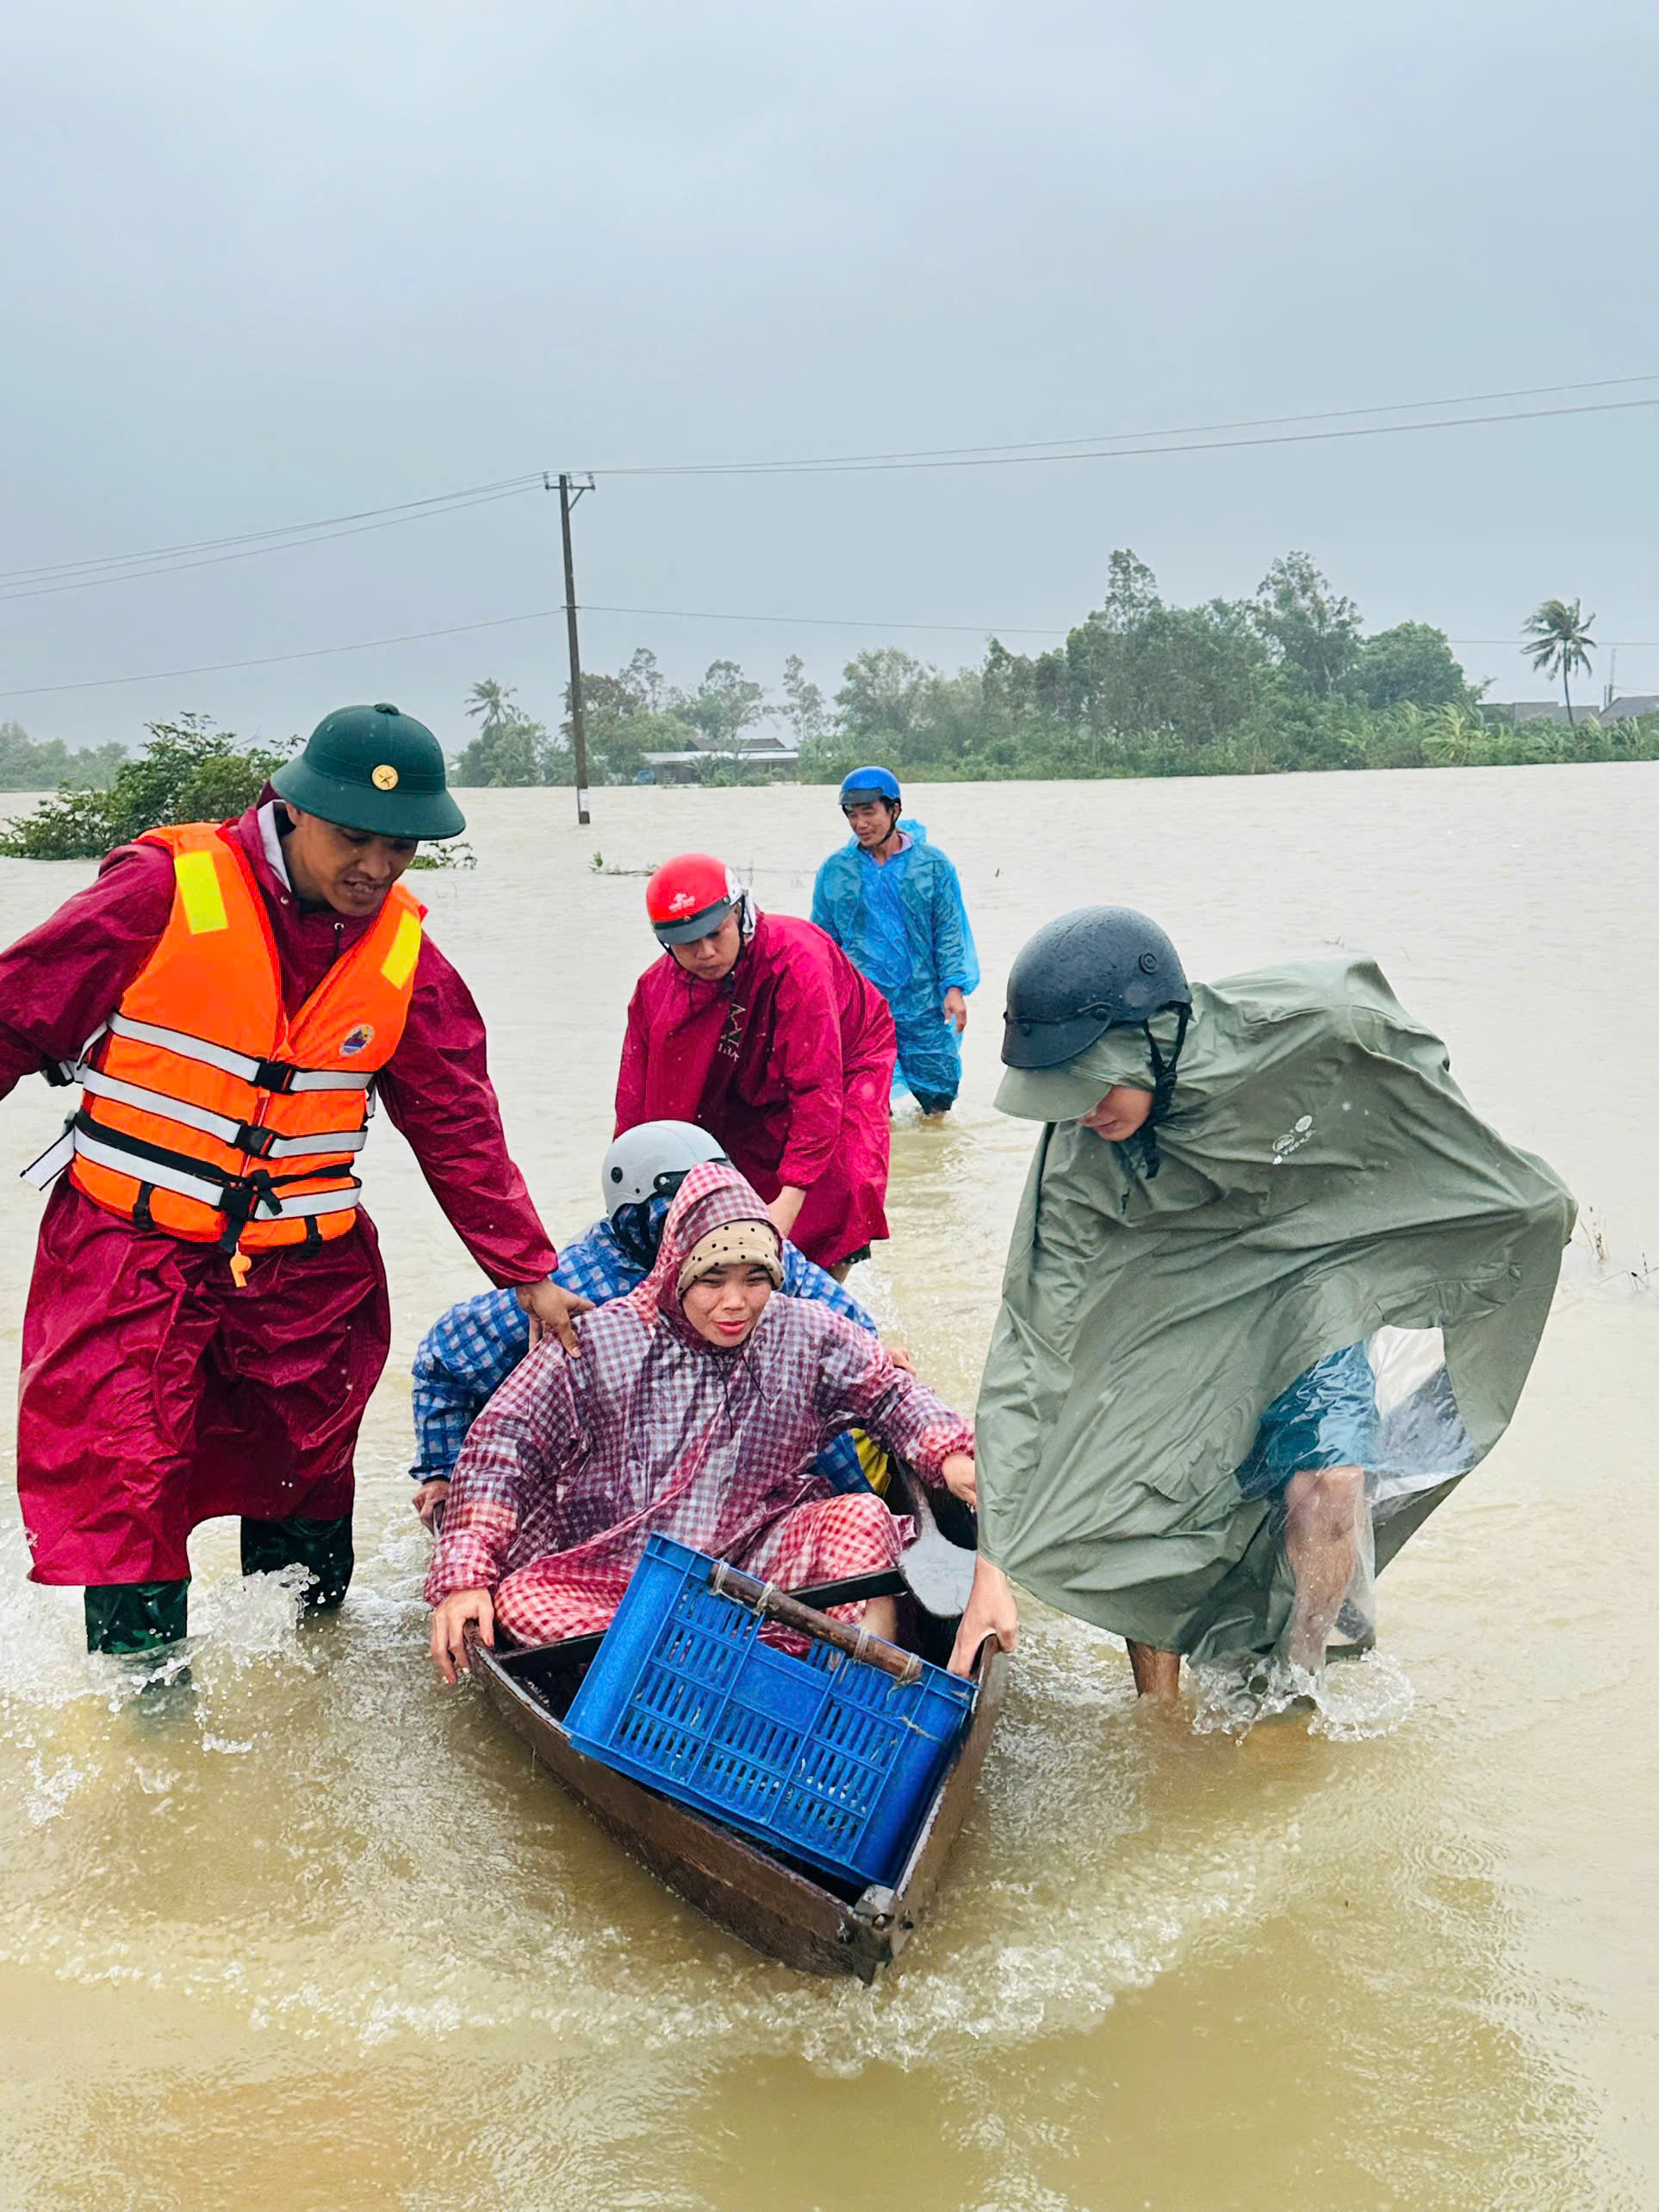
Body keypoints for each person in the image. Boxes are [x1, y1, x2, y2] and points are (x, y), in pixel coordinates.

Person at [0, 701, 581, 1658]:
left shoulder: (404, 957)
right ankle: (157, 1729)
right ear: (295, 808)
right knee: (125, 1478)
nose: (377, 868)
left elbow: (459, 1124)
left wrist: (526, 1270)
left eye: (401, 848)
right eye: (355, 838)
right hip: (128, 1254)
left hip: (303, 1277)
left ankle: (309, 1686)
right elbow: (17, 1013)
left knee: (303, 1476)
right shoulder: (161, 891)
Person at [954, 905, 1575, 1701]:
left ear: (1155, 1036)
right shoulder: (1079, 1153)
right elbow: (1031, 1341)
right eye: (1061, 1095)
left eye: (1091, 1085)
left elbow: (1403, 1052)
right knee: (1134, 1494)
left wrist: (1498, 1196)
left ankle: (1300, 1678)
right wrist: (992, 1565)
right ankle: (1160, 1709)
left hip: (1310, 1272)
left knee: (1332, 1483)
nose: (1081, 1112)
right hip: (1170, 1296)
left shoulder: (1307, 1027)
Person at [426, 1161, 979, 1680]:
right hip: (620, 1569)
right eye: (713, 1280)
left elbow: (888, 1392)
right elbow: (503, 1446)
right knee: (520, 1603)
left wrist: (947, 1453)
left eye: (754, 1278)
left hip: (755, 1548)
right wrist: (465, 1578)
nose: (735, 1302)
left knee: (861, 1517)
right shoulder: (601, 1339)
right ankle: (733, 1676)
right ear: (677, 1271)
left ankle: (859, 1705)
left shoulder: (807, 1332)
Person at [408, 1119, 904, 1525]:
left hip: (754, 1453)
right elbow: (444, 1358)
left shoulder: (747, 1242)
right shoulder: (576, 1286)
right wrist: (443, 1471)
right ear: (638, 1220)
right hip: (635, 1479)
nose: (702, 1232)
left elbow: (853, 1329)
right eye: (681, 1217)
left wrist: (878, 1364)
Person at [614, 854, 897, 1277]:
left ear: (739, 912)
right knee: (717, 1177)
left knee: (837, 1188)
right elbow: (637, 1106)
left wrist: (786, 1207)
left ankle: (826, 1293)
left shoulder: (798, 960)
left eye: (716, 933)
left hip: (843, 1064)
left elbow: (816, 1089)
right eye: (688, 943)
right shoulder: (655, 990)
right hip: (745, 1062)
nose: (706, 953)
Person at [811, 766, 979, 1117]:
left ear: (894, 810)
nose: (860, 824)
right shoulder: (836, 871)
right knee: (868, 1103)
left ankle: (929, 1167)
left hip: (923, 1004)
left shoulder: (933, 867)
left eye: (869, 812)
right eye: (852, 815)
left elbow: (948, 930)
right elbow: (823, 941)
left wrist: (954, 988)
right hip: (862, 1006)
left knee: (938, 1102)